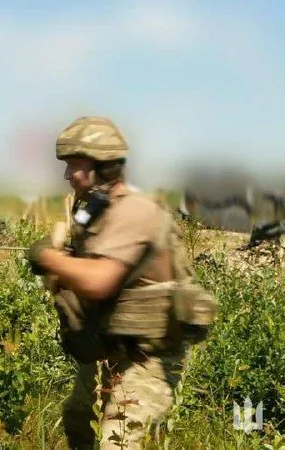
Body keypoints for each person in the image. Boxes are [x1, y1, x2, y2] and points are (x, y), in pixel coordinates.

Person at [25, 116, 192, 449]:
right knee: (77, 418)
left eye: (75, 165)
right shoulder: (94, 211)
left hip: (148, 356)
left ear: (104, 166)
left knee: (116, 441)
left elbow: (100, 281)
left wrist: (47, 258)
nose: (67, 175)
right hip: (109, 342)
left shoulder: (136, 213)